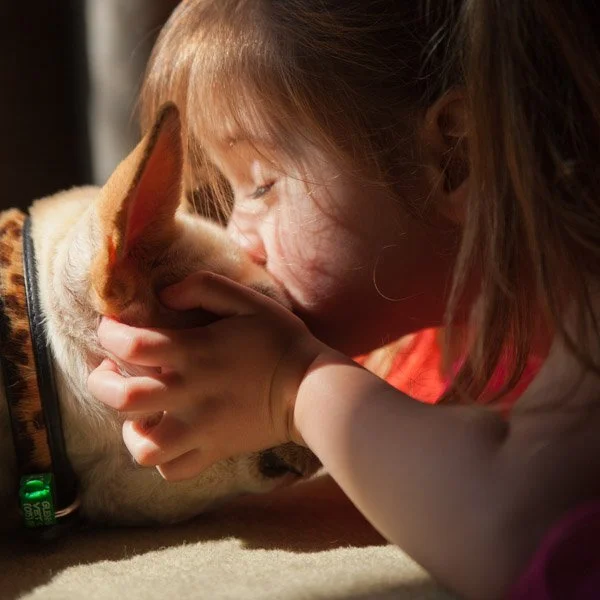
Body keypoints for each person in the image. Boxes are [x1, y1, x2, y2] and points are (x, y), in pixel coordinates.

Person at [86, 1, 600, 597]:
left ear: (455, 157)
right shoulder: (445, 332)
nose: (238, 236)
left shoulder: (587, 298)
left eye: (261, 185)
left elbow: (524, 535)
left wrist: (293, 384)